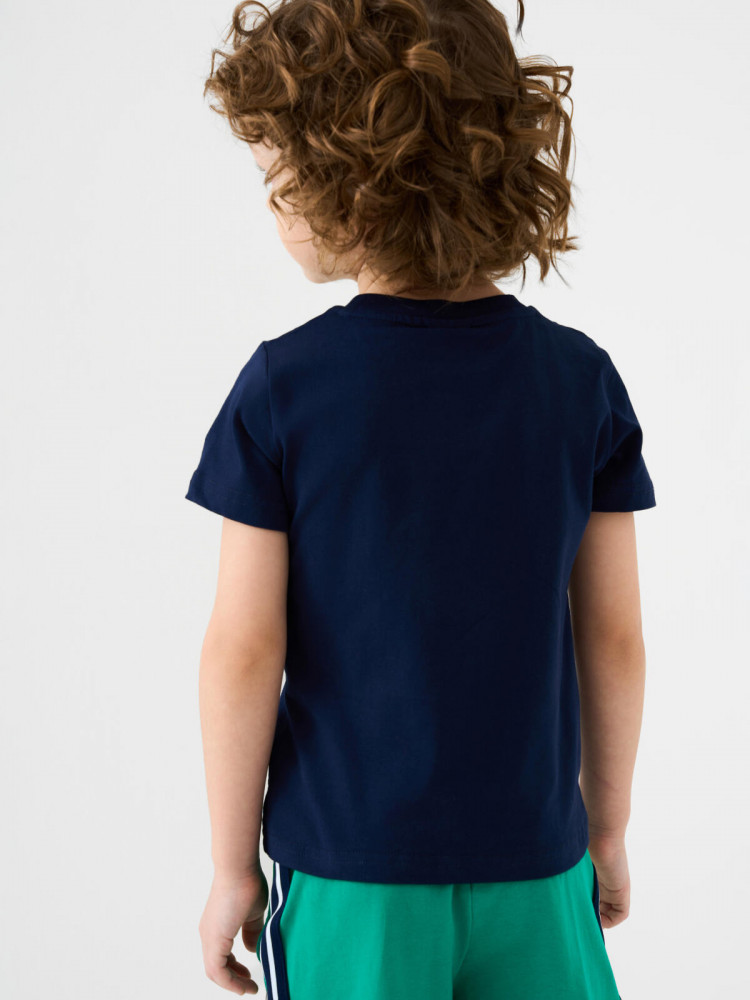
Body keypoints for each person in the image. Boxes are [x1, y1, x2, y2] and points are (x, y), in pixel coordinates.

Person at [186, 1, 656, 997]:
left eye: (276, 180)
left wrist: (231, 869)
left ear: (347, 182)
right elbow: (612, 635)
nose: (271, 209)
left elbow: (244, 649)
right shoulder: (579, 383)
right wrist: (606, 828)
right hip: (537, 864)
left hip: (353, 874)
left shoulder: (284, 391)